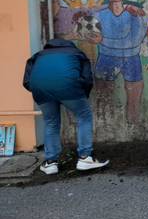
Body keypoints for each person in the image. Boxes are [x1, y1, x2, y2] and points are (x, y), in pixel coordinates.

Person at [23, 38, 109, 174]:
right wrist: (81, 95)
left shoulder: (38, 55)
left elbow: (27, 80)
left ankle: (50, 163)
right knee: (84, 116)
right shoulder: (76, 53)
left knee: (51, 122)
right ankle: (85, 158)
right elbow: (87, 78)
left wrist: (39, 90)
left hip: (41, 89)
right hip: (69, 87)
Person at [90, 0, 148, 123]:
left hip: (131, 59)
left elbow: (136, 39)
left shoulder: (134, 13)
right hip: (106, 58)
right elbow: (93, 36)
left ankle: (133, 130)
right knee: (103, 100)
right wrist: (99, 39)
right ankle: (105, 130)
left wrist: (104, 40)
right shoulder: (99, 15)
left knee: (134, 100)